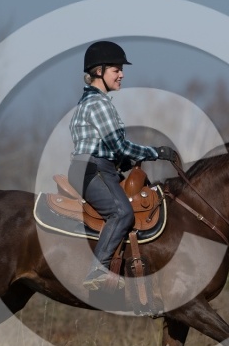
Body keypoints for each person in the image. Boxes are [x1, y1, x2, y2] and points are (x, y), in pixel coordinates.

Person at [68, 40, 178, 291]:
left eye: (121, 70)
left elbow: (110, 148)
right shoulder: (98, 104)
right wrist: (156, 153)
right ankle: (97, 270)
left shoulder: (92, 102)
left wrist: (124, 161)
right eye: (116, 70)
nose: (122, 75)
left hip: (100, 167)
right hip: (93, 169)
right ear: (99, 72)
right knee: (122, 213)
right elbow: (119, 145)